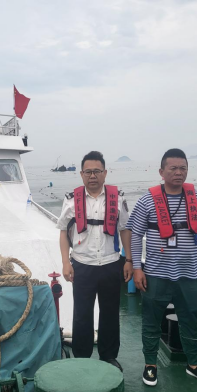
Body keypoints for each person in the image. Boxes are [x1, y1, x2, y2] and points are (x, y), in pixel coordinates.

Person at [126, 148, 197, 387]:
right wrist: (137, 268)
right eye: (173, 168)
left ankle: (194, 364)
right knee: (151, 320)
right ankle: (150, 365)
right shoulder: (147, 200)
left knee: (191, 319)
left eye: (183, 168)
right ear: (161, 171)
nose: (179, 172)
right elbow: (135, 235)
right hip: (156, 274)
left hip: (190, 274)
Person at [57, 151, 133, 372]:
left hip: (111, 264)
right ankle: (82, 357)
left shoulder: (118, 198)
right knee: (82, 314)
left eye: (97, 171)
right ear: (81, 174)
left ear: (105, 173)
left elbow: (125, 229)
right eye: (88, 172)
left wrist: (129, 260)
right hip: (82, 264)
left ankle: (109, 357)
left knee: (110, 313)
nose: (93, 176)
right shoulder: (71, 199)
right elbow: (63, 232)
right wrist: (65, 262)